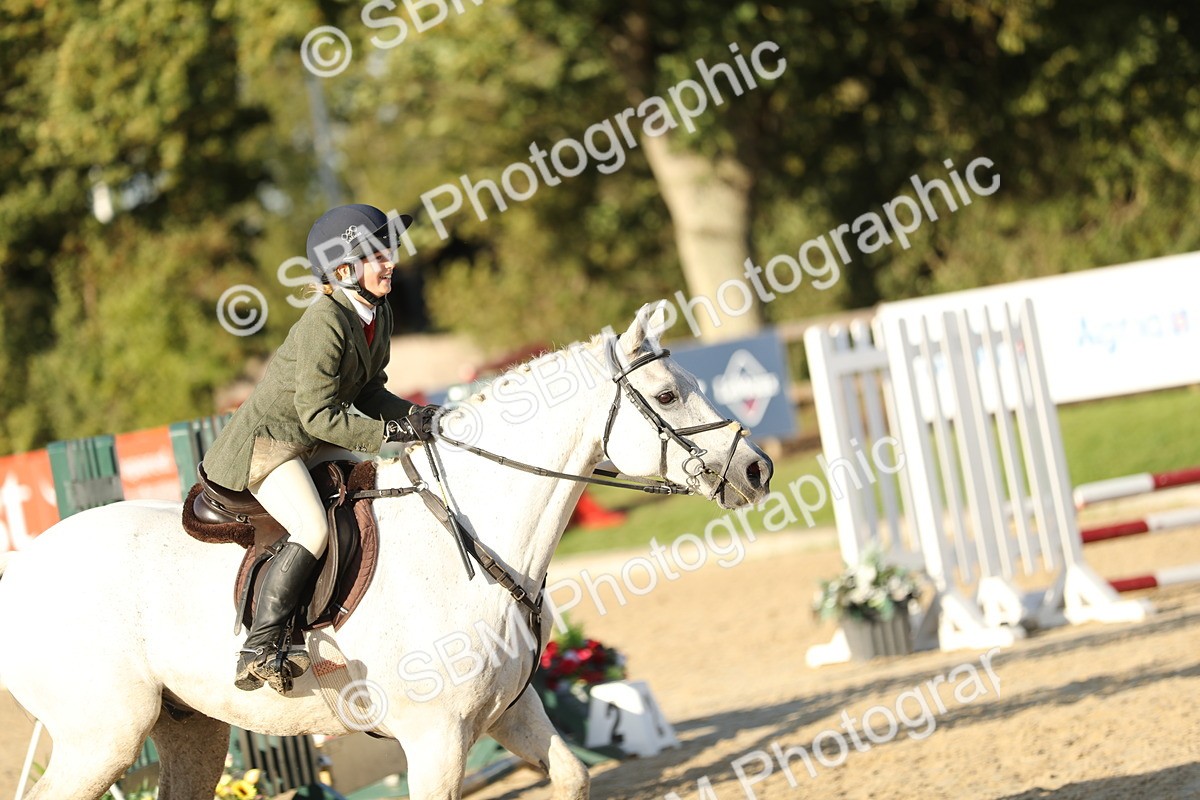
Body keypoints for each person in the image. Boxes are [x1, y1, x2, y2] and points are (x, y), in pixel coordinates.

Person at [202, 204, 437, 693]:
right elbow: (318, 415)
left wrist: (417, 417)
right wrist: (389, 434)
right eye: (377, 255)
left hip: (310, 440)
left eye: (389, 251)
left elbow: (369, 391)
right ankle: (260, 645)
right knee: (312, 526)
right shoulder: (323, 322)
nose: (390, 261)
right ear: (344, 270)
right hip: (267, 446)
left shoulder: (378, 312)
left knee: (373, 491)